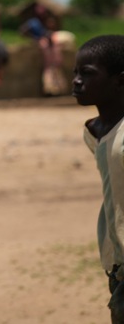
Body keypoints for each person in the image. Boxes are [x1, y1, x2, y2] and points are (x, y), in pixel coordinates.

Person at [72, 35, 124, 322]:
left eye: (88, 73)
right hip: (116, 262)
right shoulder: (93, 132)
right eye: (75, 73)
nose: (77, 81)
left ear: (120, 81)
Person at [19, 4, 68, 95]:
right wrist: (35, 39)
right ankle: (49, 89)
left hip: (50, 46)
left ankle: (58, 88)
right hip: (44, 46)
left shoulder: (45, 23)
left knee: (56, 64)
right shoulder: (33, 22)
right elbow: (22, 31)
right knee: (48, 66)